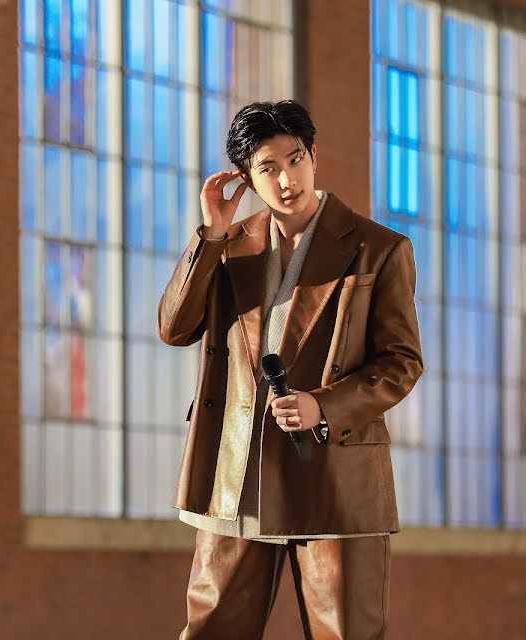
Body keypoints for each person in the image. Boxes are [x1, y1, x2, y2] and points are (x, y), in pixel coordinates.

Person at [157, 100, 424, 639]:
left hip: (333, 475)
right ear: (246, 178)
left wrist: (322, 406)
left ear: (313, 156)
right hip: (238, 471)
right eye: (268, 168)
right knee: (212, 631)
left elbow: (401, 362)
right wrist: (211, 233)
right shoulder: (227, 247)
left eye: (295, 159)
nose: (286, 180)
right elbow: (175, 328)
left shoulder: (379, 249)